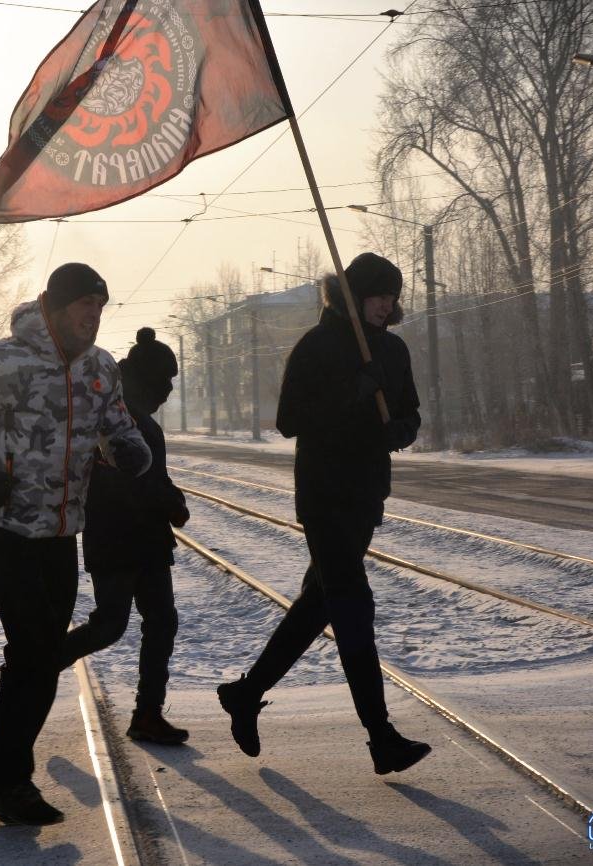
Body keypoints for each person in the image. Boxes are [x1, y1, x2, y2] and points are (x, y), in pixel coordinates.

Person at [0, 262, 151, 826]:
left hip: (61, 529)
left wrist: (130, 451)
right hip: (4, 525)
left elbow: (119, 427)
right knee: (32, 650)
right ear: (55, 308)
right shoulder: (2, 361)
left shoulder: (101, 368)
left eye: (100, 307)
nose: (94, 318)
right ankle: (9, 783)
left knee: (42, 656)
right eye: (84, 307)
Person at [216, 252, 431, 776]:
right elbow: (289, 419)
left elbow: (409, 411)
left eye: (391, 296)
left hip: (364, 495)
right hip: (323, 493)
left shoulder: (392, 349)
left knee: (319, 604)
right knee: (354, 605)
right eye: (377, 295)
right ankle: (381, 737)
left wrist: (402, 429)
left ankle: (245, 694)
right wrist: (352, 390)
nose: (385, 305)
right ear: (353, 296)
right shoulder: (318, 345)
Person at [61, 327, 191, 745]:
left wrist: (169, 497)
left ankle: (148, 714)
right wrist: (169, 502)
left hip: (144, 539)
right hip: (117, 537)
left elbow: (155, 476)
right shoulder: (119, 416)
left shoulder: (138, 416)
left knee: (160, 622)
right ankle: (37, 668)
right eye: (166, 381)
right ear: (148, 379)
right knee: (110, 625)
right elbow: (133, 481)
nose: (170, 390)